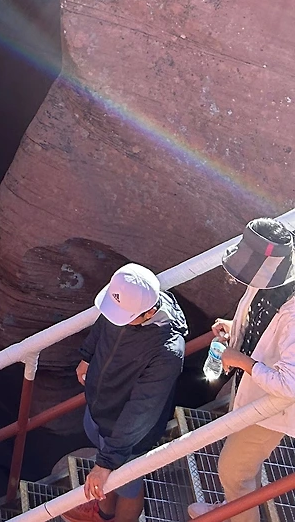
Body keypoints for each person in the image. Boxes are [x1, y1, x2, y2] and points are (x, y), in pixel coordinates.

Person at [189, 218, 295, 522]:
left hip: (271, 406)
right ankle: (234, 505)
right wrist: (234, 327)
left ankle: (238, 513)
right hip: (251, 387)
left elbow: (289, 386)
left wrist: (240, 360)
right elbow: (263, 323)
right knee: (244, 468)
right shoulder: (274, 278)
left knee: (233, 470)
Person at [74, 262, 186, 522]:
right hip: (102, 410)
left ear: (150, 312)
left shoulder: (167, 352)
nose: (116, 319)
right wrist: (87, 355)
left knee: (128, 485)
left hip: (129, 434)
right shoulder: (128, 305)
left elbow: (141, 410)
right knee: (112, 479)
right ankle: (103, 512)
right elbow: (106, 320)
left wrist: (105, 462)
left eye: (124, 317)